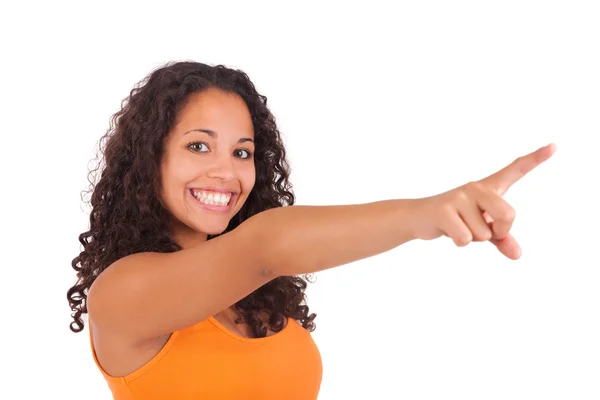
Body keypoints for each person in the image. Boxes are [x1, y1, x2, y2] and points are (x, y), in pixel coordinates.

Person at [67, 61, 556, 399]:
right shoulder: (121, 292)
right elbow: (264, 245)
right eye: (199, 146)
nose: (226, 172)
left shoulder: (255, 299)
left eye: (242, 152)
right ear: (149, 159)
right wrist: (424, 215)